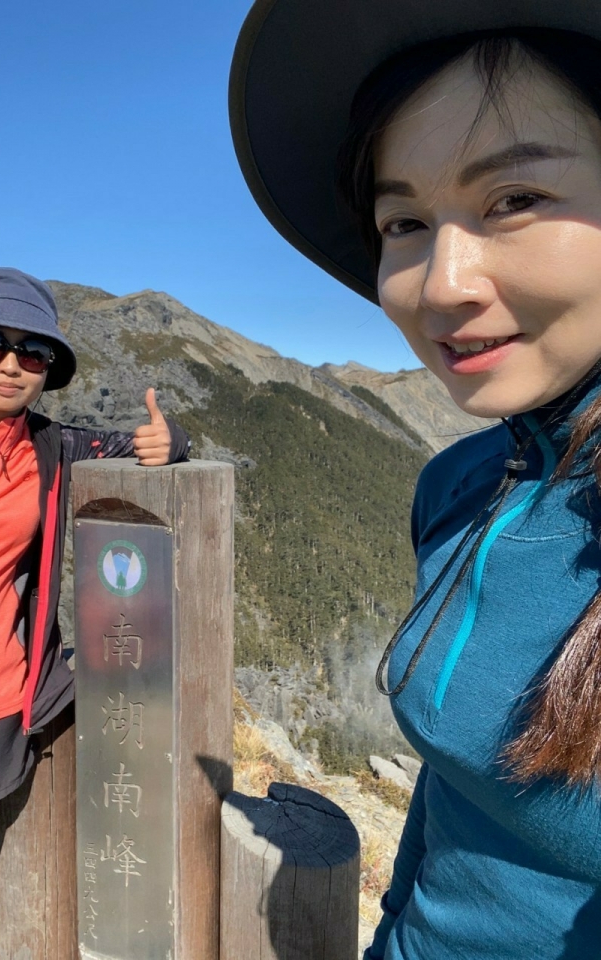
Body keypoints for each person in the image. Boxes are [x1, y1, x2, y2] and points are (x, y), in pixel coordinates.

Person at [230, 3, 601, 958]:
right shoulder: (460, 483)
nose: (441, 284)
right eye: (403, 221)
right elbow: (446, 795)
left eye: (514, 198)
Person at [0, 265, 190, 960]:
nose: (11, 365)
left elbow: (134, 445)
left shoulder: (53, 448)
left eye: (33, 352)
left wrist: (174, 445)